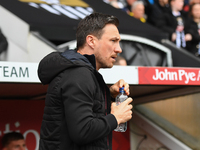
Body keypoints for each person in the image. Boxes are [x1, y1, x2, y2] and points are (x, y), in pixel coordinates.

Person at [38, 12, 133, 150]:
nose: (119, 49)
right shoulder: (79, 74)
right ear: (91, 41)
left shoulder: (82, 72)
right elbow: (82, 131)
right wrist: (116, 117)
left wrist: (107, 93)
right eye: (113, 41)